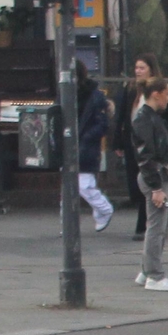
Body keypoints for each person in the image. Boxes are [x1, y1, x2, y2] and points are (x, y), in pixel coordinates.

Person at [130, 75, 168, 291]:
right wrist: (156, 187)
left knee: (158, 226)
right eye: (167, 93)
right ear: (156, 94)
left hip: (158, 175)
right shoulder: (146, 119)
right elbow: (146, 155)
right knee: (157, 228)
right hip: (154, 176)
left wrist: (166, 180)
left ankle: (147, 271)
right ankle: (154, 275)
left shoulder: (149, 117)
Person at [117, 55, 157, 237]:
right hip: (132, 142)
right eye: (137, 68)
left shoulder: (157, 89)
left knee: (147, 181)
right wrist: (117, 141)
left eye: (142, 68)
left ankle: (143, 224)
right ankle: (149, 218)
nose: (138, 71)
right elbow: (121, 116)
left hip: (150, 144)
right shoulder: (130, 89)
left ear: (150, 69)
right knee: (135, 184)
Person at [74, 71, 114, 232]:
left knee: (83, 184)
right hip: (78, 143)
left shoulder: (94, 97)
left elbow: (102, 124)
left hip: (85, 145)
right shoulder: (68, 93)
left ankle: (104, 209)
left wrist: (86, 137)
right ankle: (68, 223)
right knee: (72, 185)